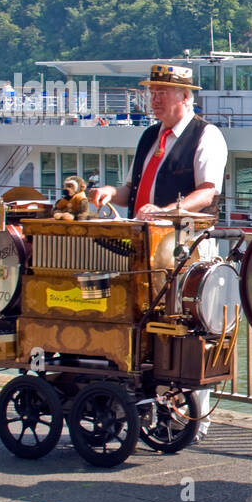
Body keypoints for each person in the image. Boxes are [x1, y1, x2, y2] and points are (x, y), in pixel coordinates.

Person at [89, 63, 229, 439]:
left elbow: (206, 192)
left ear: (185, 97)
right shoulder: (151, 136)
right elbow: (138, 194)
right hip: (144, 251)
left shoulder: (207, 135)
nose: (154, 98)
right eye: (152, 91)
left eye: (162, 91)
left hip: (183, 250)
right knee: (141, 326)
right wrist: (111, 193)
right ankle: (137, 404)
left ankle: (191, 419)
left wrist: (166, 212)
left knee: (185, 331)